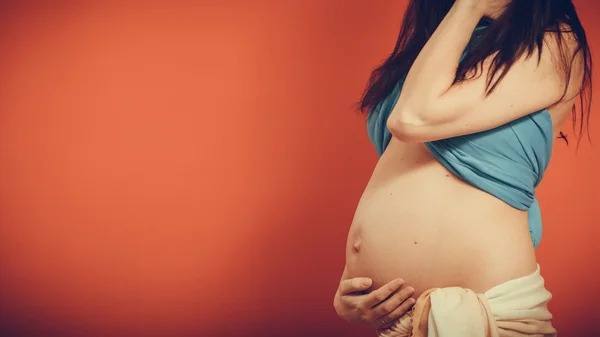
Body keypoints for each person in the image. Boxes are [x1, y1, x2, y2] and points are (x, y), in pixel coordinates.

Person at [332, 0, 592, 336]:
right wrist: (349, 287)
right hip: (399, 321)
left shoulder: (555, 41)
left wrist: (468, 6)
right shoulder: (443, 41)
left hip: (484, 313)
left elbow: (412, 117)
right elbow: (402, 166)